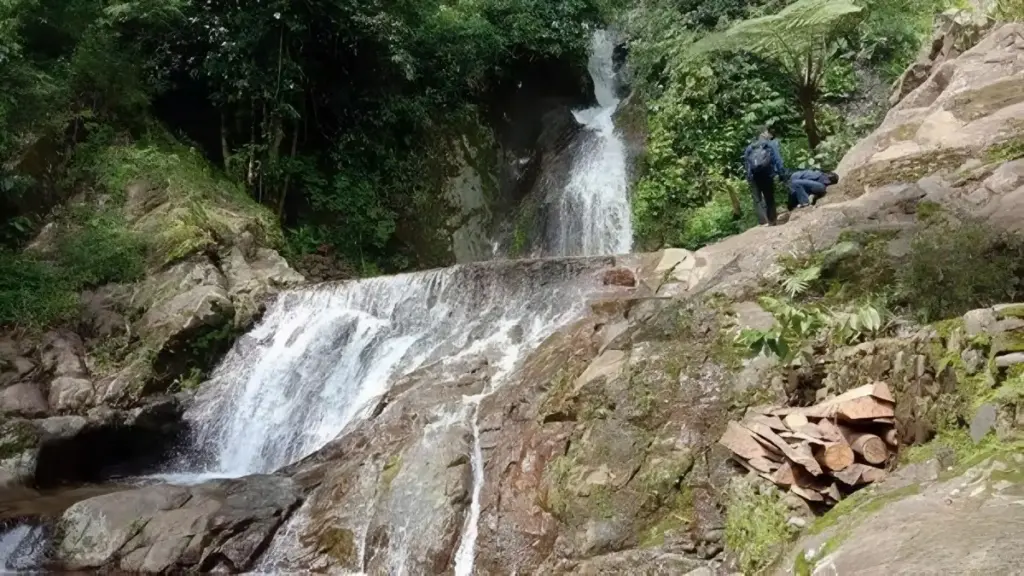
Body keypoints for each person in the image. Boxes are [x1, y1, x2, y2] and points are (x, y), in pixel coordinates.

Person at [743, 128, 786, 226]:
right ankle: (772, 220)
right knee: (769, 197)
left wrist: (749, 177)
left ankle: (763, 221)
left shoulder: (750, 147)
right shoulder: (769, 145)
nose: (769, 134)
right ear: (763, 133)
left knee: (757, 199)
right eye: (767, 132)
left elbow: (747, 163)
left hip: (754, 176)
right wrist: (781, 173)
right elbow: (777, 159)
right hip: (767, 173)